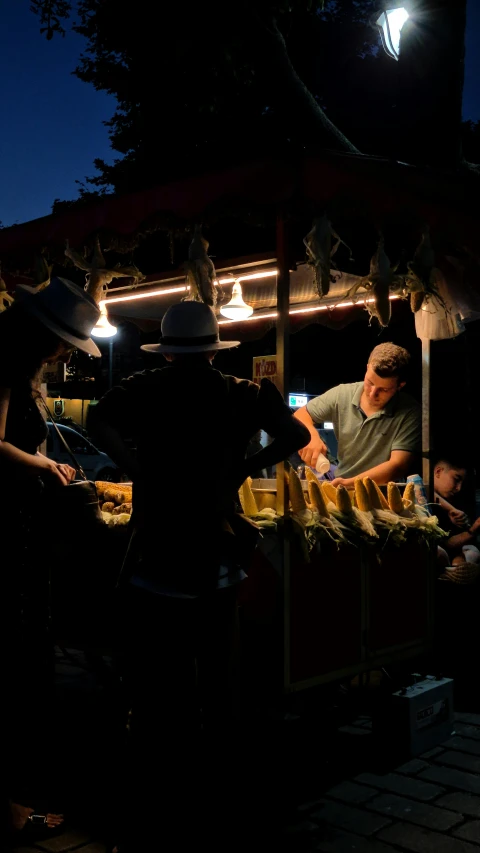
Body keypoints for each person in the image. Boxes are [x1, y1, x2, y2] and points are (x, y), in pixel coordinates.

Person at [88, 301, 309, 851]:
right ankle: (220, 802)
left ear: (166, 350)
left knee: (158, 689)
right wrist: (242, 467)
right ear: (213, 349)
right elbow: (295, 438)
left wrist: (137, 467)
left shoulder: (144, 389)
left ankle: (159, 800)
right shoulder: (241, 393)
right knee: (220, 684)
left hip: (154, 558)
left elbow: (99, 420)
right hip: (216, 558)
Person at [0, 277, 101, 843]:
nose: (65, 352)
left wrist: (43, 459)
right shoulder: (5, 367)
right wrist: (45, 467)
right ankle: (14, 807)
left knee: (24, 657)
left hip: (22, 528)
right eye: (64, 341)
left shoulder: (19, 369)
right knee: (17, 659)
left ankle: (18, 794)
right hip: (9, 531)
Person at [294, 342, 421, 488]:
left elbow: (398, 465)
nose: (373, 393)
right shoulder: (342, 394)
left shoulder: (410, 411)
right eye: (370, 382)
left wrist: (350, 484)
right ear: (367, 368)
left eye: (384, 389)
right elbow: (300, 415)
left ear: (400, 385)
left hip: (384, 494)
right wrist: (311, 435)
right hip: (341, 489)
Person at [433, 456, 480, 567]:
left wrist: (473, 530)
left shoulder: (455, 502)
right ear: (438, 472)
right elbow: (421, 489)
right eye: (456, 479)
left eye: (462, 483)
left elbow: (447, 544)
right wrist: (450, 509)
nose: (458, 488)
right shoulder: (418, 493)